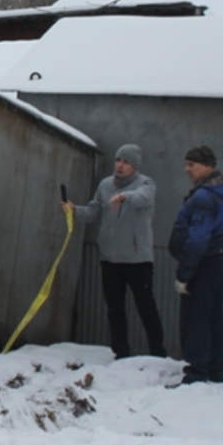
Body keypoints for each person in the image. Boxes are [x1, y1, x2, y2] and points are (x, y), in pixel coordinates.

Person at [63, 144, 166, 359]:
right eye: (118, 160)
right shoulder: (105, 185)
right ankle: (121, 353)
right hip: (110, 258)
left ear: (135, 167)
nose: (120, 165)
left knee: (146, 308)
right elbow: (95, 211)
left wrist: (125, 197)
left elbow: (143, 197)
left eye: (126, 162)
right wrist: (74, 211)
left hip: (138, 260)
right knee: (115, 309)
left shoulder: (146, 183)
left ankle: (158, 354)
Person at [168, 144, 223, 385]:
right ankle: (215, 368)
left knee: (195, 318)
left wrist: (184, 274)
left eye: (191, 164)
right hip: (217, 261)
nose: (186, 169)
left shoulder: (204, 197)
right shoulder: (222, 192)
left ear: (207, 166)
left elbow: (197, 239)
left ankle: (197, 372)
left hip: (203, 263)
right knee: (212, 317)